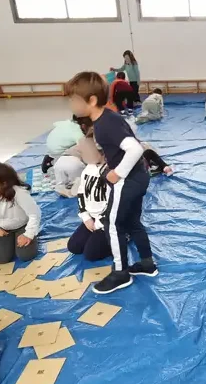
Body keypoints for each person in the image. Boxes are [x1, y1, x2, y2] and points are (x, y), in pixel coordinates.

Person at [66, 72, 157, 294]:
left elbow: (135, 149)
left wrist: (118, 172)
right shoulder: (105, 119)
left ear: (92, 101)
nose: (71, 105)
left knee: (112, 224)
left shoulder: (105, 123)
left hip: (129, 180)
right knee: (133, 222)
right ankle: (147, 263)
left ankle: (120, 272)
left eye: (74, 100)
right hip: (138, 178)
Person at [69, 141, 112, 262]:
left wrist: (99, 223)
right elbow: (81, 193)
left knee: (91, 254)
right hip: (92, 217)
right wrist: (86, 217)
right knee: (74, 247)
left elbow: (115, 202)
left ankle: (123, 237)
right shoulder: (89, 168)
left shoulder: (110, 172)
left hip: (108, 220)